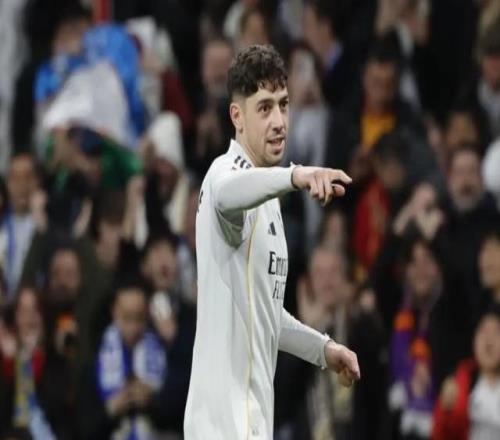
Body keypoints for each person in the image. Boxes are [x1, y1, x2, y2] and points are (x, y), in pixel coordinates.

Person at [184, 44, 360, 439]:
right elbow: (228, 193)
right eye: (264, 108)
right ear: (237, 116)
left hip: (253, 423)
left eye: (283, 105)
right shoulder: (223, 174)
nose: (279, 121)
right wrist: (296, 176)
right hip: (219, 427)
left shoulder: (269, 202)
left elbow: (266, 314)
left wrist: (323, 349)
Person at [432, 308, 500, 440]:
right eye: (484, 331)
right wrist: (445, 411)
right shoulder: (457, 384)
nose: (489, 340)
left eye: (496, 332)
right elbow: (438, 434)